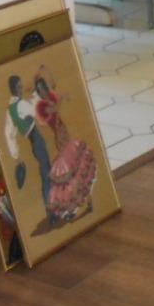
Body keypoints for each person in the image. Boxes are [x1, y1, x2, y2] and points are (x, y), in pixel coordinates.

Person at [32, 68, 97, 224]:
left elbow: (54, 91)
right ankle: (69, 209)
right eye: (40, 90)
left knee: (78, 166)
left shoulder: (51, 97)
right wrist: (61, 99)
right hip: (59, 138)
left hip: (64, 134)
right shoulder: (41, 105)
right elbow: (52, 109)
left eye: (44, 88)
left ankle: (86, 201)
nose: (43, 92)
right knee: (68, 171)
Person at [3, 73, 51, 210]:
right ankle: (50, 207)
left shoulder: (10, 109)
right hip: (37, 139)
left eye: (21, 85)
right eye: (19, 86)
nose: (21, 88)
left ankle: (51, 205)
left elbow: (8, 134)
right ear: (13, 88)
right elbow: (35, 111)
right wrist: (36, 95)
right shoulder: (21, 104)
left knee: (46, 170)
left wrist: (16, 155)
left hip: (32, 142)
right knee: (46, 171)